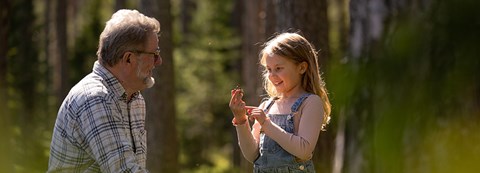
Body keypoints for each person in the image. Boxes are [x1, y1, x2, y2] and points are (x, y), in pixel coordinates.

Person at [48, 9, 161, 172]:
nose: (159, 61)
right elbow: (124, 170)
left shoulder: (134, 99)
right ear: (128, 59)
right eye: (154, 54)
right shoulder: (96, 98)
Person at [229, 32, 331, 172]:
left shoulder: (310, 102)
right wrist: (241, 120)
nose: (272, 75)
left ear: (301, 68)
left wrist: (266, 124)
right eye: (269, 69)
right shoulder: (267, 106)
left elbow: (304, 150)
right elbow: (252, 155)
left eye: (278, 68)